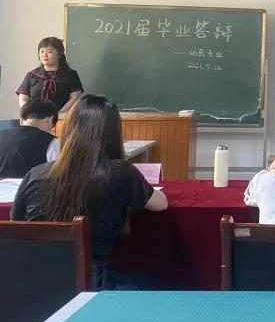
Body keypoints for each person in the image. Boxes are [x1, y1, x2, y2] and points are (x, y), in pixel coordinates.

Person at [11, 94, 167, 290]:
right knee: (150, 283)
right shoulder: (121, 173)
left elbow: (16, 222)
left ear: (69, 129)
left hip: (33, 283)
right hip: (88, 283)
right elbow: (161, 203)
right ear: (113, 133)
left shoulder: (35, 174)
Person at [16, 37, 83, 112]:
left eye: (49, 51)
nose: (44, 55)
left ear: (59, 54)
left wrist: (59, 114)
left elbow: (75, 97)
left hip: (62, 117)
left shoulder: (70, 75)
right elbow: (23, 98)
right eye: (42, 51)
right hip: (35, 117)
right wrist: (30, 113)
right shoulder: (32, 75)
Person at [0, 100, 59, 178]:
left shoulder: (2, 134)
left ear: (22, 120)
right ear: (50, 119)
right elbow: (57, 174)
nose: (51, 131)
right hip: (33, 185)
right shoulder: (52, 141)